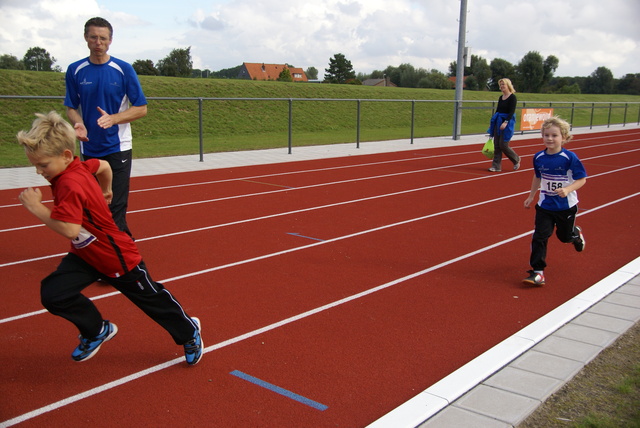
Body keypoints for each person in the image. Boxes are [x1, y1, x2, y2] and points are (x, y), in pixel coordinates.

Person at [16, 111, 202, 365]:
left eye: (43, 165)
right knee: (54, 294)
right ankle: (96, 330)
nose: (38, 171)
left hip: (117, 258)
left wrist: (36, 208)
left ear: (66, 156)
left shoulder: (69, 184)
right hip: (86, 255)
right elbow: (102, 165)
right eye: (35, 165)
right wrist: (107, 188)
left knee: (152, 301)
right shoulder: (77, 167)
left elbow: (70, 229)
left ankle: (189, 331)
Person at [65, 17, 147, 237]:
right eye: (93, 37)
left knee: (116, 206)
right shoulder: (75, 70)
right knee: (92, 205)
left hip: (118, 146)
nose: (98, 42)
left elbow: (141, 108)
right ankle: (103, 251)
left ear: (110, 40)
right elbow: (71, 107)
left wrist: (114, 119)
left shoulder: (123, 69)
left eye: (102, 38)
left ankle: (121, 256)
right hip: (89, 147)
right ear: (86, 38)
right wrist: (78, 123)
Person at [523, 116, 587, 286]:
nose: (549, 139)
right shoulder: (538, 157)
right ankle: (538, 272)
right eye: (546, 135)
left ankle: (575, 234)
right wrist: (531, 196)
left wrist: (567, 189)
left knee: (564, 237)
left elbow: (582, 180)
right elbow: (538, 176)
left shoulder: (569, 158)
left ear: (564, 138)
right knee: (540, 235)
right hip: (545, 206)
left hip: (566, 207)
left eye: (554, 135)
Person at [487, 78, 520, 172]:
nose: (501, 87)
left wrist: (505, 122)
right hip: (498, 121)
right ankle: (496, 166)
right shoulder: (501, 97)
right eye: (500, 85)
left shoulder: (512, 97)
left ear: (508, 85)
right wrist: (492, 124)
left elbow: (511, 112)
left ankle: (516, 159)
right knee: (497, 145)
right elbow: (498, 110)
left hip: (507, 123)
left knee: (503, 145)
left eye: (503, 85)